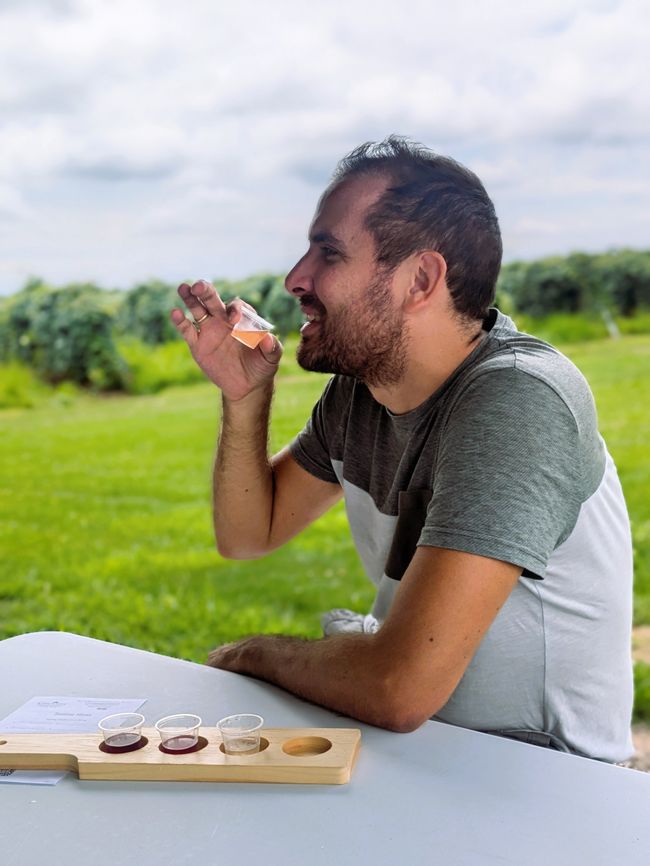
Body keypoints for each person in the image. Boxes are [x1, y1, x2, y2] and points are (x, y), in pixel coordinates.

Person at [170, 137, 634, 762]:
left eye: (328, 252)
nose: (295, 279)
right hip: (427, 754)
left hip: (542, 776)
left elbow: (398, 686)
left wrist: (255, 654)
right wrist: (245, 398)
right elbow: (249, 534)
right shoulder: (361, 392)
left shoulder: (519, 400)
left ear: (421, 279)